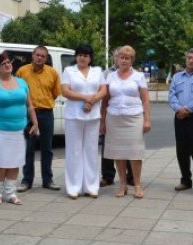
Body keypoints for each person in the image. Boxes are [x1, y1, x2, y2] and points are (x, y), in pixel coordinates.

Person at [0, 53, 38, 205]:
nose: (7, 65)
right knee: (1, 162)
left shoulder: (22, 83)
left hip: (19, 130)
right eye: (3, 64)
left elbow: (30, 105)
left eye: (8, 62)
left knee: (14, 162)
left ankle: (11, 193)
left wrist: (35, 123)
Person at [101, 45, 151, 199]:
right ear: (117, 59)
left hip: (134, 117)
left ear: (132, 60)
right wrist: (102, 121)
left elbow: (146, 99)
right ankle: (122, 185)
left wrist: (147, 120)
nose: (124, 60)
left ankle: (137, 185)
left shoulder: (139, 76)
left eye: (127, 58)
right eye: (121, 57)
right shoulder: (110, 77)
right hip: (114, 118)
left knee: (135, 153)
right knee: (118, 152)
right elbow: (105, 101)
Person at [61, 44, 107, 199]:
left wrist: (93, 100)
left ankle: (91, 186)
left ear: (90, 58)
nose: (82, 58)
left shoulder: (97, 71)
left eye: (86, 55)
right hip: (74, 115)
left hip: (93, 115)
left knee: (91, 151)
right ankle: (73, 187)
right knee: (74, 151)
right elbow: (65, 91)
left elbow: (103, 90)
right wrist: (85, 97)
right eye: (80, 55)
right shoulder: (69, 71)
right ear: (76, 56)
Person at [16, 46, 61, 192]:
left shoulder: (52, 72)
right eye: (37, 55)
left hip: (47, 113)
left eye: (43, 56)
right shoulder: (22, 71)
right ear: (32, 55)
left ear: (46, 58)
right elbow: (17, 91)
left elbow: (55, 93)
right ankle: (26, 181)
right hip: (28, 114)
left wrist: (44, 103)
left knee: (47, 148)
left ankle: (47, 180)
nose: (39, 58)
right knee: (28, 148)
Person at [169, 48, 193, 193]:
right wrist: (178, 109)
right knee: (181, 150)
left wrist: (187, 110)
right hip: (179, 117)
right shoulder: (177, 77)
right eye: (189, 57)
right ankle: (185, 180)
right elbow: (172, 95)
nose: (191, 60)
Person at [100, 48, 133, 187]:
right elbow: (104, 98)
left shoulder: (134, 74)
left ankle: (130, 176)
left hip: (128, 117)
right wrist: (102, 118)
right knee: (108, 146)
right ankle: (107, 176)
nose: (120, 59)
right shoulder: (106, 74)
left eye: (125, 57)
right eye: (118, 56)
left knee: (129, 147)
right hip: (111, 114)